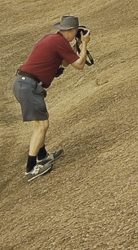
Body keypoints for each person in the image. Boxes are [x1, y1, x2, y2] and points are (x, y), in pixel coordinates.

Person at [16, 15, 92, 179]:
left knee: (41, 121)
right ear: (71, 31)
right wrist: (84, 44)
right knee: (42, 125)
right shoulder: (60, 43)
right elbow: (79, 65)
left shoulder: (52, 39)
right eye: (77, 32)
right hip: (29, 86)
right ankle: (30, 168)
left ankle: (42, 156)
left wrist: (77, 46)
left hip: (25, 84)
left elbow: (65, 63)